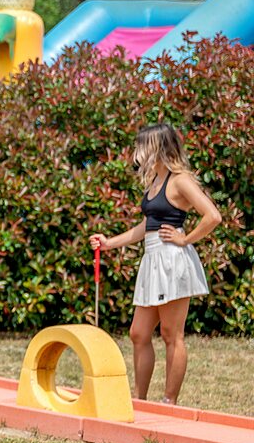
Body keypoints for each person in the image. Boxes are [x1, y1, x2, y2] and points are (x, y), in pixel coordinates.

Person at [89, 123, 221, 405]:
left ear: (159, 147)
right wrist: (110, 243)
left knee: (172, 334)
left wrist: (185, 239)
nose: (138, 151)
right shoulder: (155, 181)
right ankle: (140, 399)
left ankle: (168, 401)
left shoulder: (180, 179)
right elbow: (146, 226)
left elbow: (212, 216)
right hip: (152, 259)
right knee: (138, 333)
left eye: (143, 145)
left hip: (172, 259)